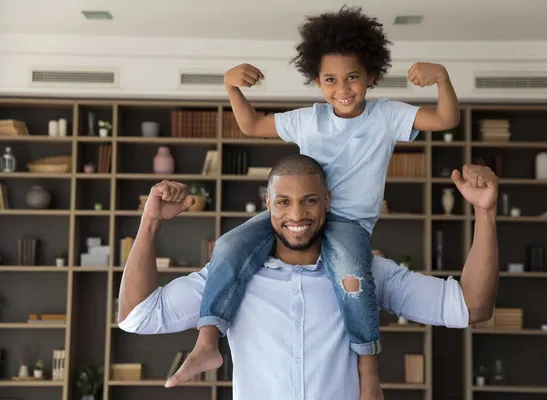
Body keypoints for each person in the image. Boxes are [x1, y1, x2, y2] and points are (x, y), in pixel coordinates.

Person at [171, 5, 461, 396]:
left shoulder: (388, 115)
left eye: (353, 77)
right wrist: (230, 87)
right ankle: (207, 344)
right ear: (316, 81)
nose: (343, 89)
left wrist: (442, 78)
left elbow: (445, 120)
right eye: (331, 80)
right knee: (229, 246)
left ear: (372, 76)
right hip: (299, 211)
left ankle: (368, 372)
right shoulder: (308, 119)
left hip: (347, 224)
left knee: (353, 278)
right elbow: (252, 124)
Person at [117, 154, 499, 400]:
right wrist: (150, 222)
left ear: (327, 202)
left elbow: (472, 306)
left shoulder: (366, 273)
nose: (296, 215)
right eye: (283, 202)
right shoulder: (227, 277)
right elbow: (137, 316)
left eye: (309, 201)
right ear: (267, 204)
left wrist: (484, 213)